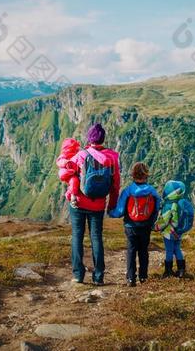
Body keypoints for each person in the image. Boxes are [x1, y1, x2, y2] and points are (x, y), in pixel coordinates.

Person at [64, 123, 120, 286]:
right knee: (96, 238)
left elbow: (67, 172)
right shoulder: (112, 158)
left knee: (77, 236)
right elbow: (115, 184)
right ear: (103, 139)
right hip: (98, 205)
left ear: (89, 138)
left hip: (79, 203)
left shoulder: (81, 155)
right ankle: (98, 276)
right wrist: (111, 205)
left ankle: (78, 275)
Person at [110, 162, 161, 287]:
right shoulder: (152, 191)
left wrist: (111, 213)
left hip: (131, 226)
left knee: (131, 251)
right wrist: (153, 221)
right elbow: (157, 207)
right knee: (144, 251)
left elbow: (120, 211)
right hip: (146, 226)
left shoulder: (128, 191)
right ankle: (143, 276)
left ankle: (131, 278)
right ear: (146, 175)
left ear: (133, 175)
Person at [154, 180, 194, 278]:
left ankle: (168, 271)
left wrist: (155, 227)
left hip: (169, 233)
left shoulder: (169, 205)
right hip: (179, 232)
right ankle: (181, 270)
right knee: (177, 249)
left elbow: (164, 221)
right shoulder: (181, 203)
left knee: (169, 251)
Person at [56, 138, 81, 208]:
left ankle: (69, 194)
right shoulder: (63, 156)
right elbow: (59, 161)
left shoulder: (75, 155)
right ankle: (73, 197)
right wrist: (65, 163)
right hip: (67, 173)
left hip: (70, 172)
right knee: (74, 181)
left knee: (73, 183)